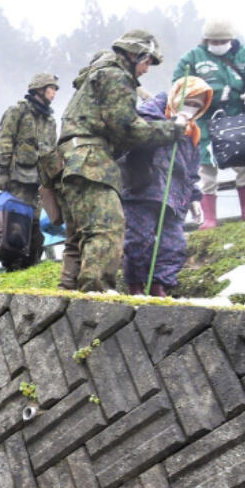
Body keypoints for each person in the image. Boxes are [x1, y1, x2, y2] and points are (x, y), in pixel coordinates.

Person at [57, 30, 191, 292]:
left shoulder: (95, 77)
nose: (146, 69)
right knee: (107, 226)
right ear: (135, 54)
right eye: (147, 61)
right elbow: (128, 129)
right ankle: (96, 293)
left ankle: (73, 292)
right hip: (92, 160)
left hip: (73, 160)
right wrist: (173, 130)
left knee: (83, 233)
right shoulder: (116, 77)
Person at [173, 19, 245, 227]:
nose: (218, 44)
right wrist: (193, 103)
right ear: (206, 40)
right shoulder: (192, 58)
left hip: (240, 120)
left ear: (231, 39)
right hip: (204, 122)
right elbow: (179, 84)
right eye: (213, 41)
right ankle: (209, 217)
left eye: (222, 41)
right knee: (205, 168)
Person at [119, 80, 208, 297]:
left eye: (197, 105)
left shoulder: (193, 132)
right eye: (188, 101)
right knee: (139, 240)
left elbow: (191, 171)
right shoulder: (150, 113)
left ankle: (160, 286)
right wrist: (172, 126)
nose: (191, 108)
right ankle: (135, 287)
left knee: (174, 244)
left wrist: (195, 199)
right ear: (176, 96)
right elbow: (139, 137)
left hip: (175, 197)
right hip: (143, 189)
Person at [0, 72, 60, 270]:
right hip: (18, 178)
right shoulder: (17, 111)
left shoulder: (50, 120)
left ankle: (32, 263)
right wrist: (3, 173)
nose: (54, 93)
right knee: (17, 223)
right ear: (40, 89)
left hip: (41, 181)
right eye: (52, 88)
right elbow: (5, 141)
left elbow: (53, 150)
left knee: (37, 225)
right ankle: (13, 265)